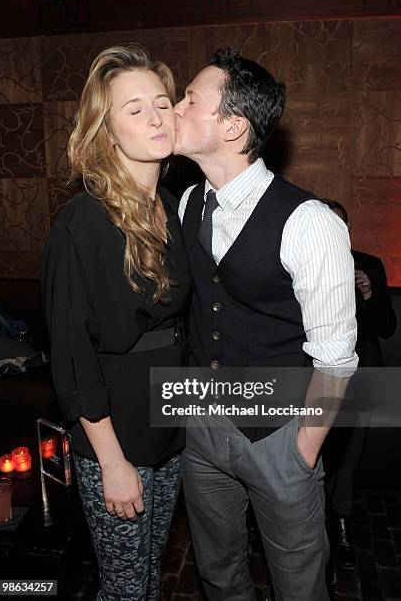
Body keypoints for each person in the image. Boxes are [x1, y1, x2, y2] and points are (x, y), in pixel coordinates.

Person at [174, 48, 358, 601]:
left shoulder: (311, 223)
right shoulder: (186, 202)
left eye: (189, 99)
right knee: (218, 575)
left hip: (278, 435)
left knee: (299, 585)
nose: (174, 108)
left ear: (232, 127)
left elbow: (336, 359)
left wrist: (303, 450)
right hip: (201, 428)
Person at [41, 44, 191, 600]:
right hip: (116, 436)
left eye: (161, 101)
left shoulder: (173, 207)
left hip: (168, 425)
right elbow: (73, 356)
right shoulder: (81, 224)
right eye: (134, 109)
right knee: (126, 588)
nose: (156, 117)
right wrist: (111, 461)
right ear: (106, 131)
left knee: (148, 576)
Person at [320, 198, 396, 569]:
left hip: (363, 368)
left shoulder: (368, 265)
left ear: (347, 231)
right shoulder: (305, 263)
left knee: (349, 447)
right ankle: (308, 517)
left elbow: (386, 329)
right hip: (316, 369)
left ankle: (341, 518)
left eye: (339, 226)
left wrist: (368, 294)